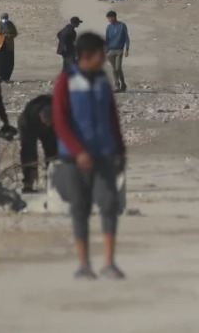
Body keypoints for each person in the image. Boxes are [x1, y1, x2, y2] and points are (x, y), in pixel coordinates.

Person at [52, 32, 128, 280]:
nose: (103, 59)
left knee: (109, 205)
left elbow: (113, 118)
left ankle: (109, 262)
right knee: (80, 208)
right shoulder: (66, 81)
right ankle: (84, 264)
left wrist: (120, 151)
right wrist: (78, 151)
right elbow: (60, 122)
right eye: (100, 54)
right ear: (85, 55)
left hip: (104, 153)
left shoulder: (103, 81)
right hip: (74, 160)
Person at [18, 93, 56, 193]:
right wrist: (32, 168)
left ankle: (53, 182)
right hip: (28, 125)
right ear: (40, 117)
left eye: (49, 122)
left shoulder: (56, 107)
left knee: (52, 150)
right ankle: (28, 183)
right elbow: (29, 149)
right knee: (28, 152)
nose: (47, 124)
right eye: (45, 122)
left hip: (50, 125)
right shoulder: (28, 119)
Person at [104, 11, 130, 92]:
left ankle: (121, 84)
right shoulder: (109, 27)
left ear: (113, 17)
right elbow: (107, 39)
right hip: (110, 51)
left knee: (117, 68)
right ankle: (119, 85)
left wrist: (127, 49)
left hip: (119, 50)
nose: (108, 20)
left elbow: (126, 38)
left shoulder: (122, 25)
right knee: (115, 69)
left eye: (109, 18)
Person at [0, 13, 20, 83]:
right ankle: (1, 77)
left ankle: (7, 77)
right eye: (3, 18)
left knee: (10, 62)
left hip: (9, 46)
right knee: (1, 62)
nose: (4, 20)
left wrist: (9, 36)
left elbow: (15, 33)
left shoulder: (10, 24)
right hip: (0, 46)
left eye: (5, 18)